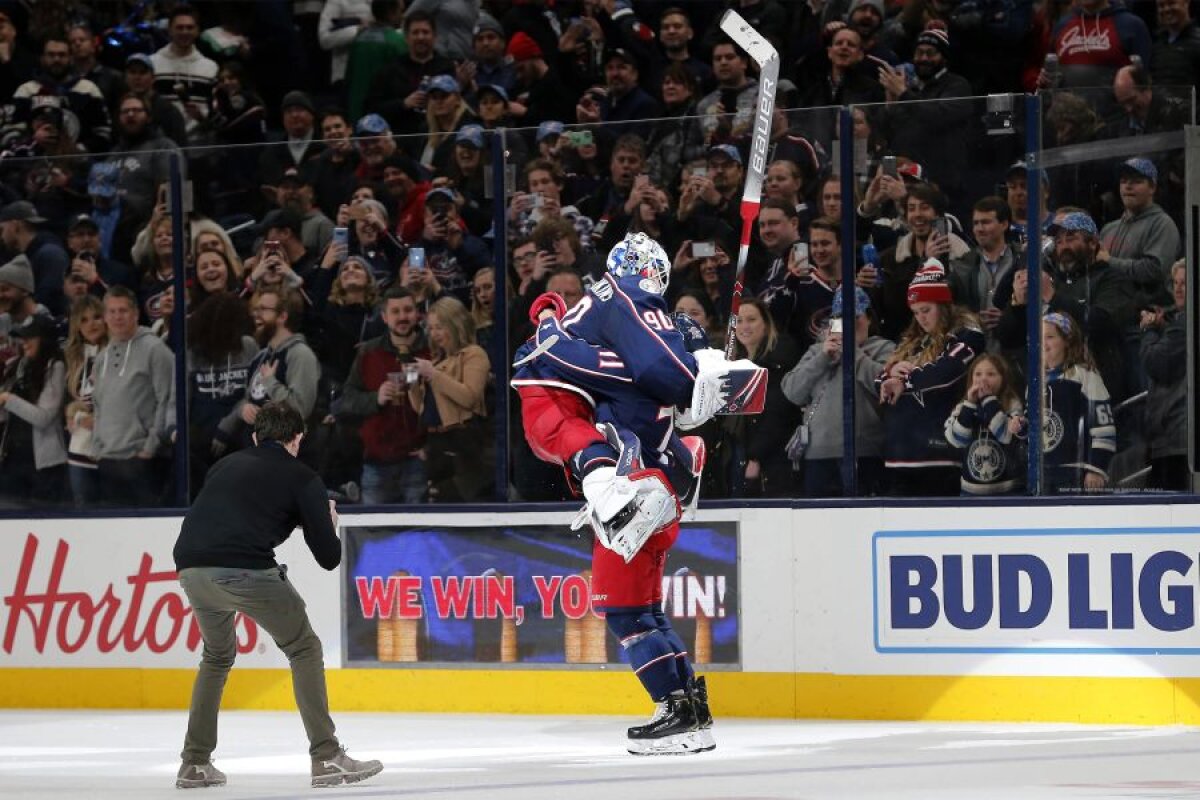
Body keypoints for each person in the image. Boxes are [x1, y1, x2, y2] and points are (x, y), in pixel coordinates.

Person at [172, 401, 383, 789]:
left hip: (191, 568)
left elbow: (233, 517)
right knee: (303, 648)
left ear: (256, 437)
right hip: (245, 569)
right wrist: (326, 520)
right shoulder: (302, 477)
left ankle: (194, 763)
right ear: (297, 438)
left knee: (216, 656)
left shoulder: (225, 465)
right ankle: (326, 756)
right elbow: (328, 558)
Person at [877, 260, 985, 496]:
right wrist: (889, 375)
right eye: (916, 313)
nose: (921, 319)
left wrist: (903, 381)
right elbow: (880, 381)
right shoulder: (911, 342)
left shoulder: (967, 335)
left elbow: (946, 371)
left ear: (944, 305)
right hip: (898, 454)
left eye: (926, 310)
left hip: (939, 456)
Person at [782, 287, 894, 497]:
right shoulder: (817, 351)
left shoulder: (884, 349)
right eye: (842, 319)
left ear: (869, 319)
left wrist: (853, 354)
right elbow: (792, 391)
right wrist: (822, 358)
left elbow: (884, 386)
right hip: (818, 454)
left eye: (856, 317)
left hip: (865, 453)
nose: (850, 325)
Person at [340, 286, 429, 504]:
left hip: (419, 458)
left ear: (417, 314)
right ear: (384, 317)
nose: (402, 317)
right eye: (395, 312)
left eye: (408, 310)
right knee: (373, 534)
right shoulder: (369, 352)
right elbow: (347, 399)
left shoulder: (431, 348)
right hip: (377, 461)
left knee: (420, 533)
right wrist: (375, 398)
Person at [91, 286, 175, 506]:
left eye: (123, 310)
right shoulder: (102, 358)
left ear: (136, 314)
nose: (117, 317)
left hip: (142, 460)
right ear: (105, 316)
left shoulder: (155, 350)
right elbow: (98, 405)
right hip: (108, 459)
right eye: (112, 311)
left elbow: (167, 399)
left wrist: (150, 448)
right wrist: (97, 446)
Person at [408, 295, 491, 502]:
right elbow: (421, 409)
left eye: (440, 327)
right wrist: (411, 382)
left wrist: (433, 375)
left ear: (456, 325)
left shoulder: (474, 354)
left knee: (454, 500)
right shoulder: (436, 360)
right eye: (431, 328)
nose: (434, 334)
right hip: (435, 442)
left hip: (463, 442)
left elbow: (469, 397)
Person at [1041, 311, 1116, 494]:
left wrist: (1096, 467)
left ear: (1067, 341)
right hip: (1042, 473)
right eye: (1040, 337)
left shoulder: (1085, 375)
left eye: (1050, 337)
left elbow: (1103, 425)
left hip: (1076, 472)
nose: (1044, 343)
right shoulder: (1035, 382)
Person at [0, 315, 67, 507]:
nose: (25, 343)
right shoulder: (17, 366)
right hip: (12, 461)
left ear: (45, 339)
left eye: (30, 337)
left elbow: (43, 417)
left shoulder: (55, 367)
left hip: (43, 467)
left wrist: (7, 399)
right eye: (23, 337)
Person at [944, 353, 1027, 495]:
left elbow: (1004, 435)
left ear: (1003, 379)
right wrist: (969, 404)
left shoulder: (1013, 405)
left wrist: (988, 401)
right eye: (978, 374)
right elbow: (958, 440)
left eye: (991, 374)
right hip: (970, 492)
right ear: (971, 380)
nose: (983, 379)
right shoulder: (963, 407)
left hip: (1008, 490)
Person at [1139, 259, 1187, 491]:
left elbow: (1158, 363)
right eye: (1175, 283)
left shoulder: (1187, 323)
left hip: (1177, 439)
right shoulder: (1179, 323)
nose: (1178, 289)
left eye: (1185, 283)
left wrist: (1149, 330)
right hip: (1173, 437)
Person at [63, 295, 107, 507]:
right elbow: (71, 401)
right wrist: (74, 413)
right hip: (80, 447)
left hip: (111, 446)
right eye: (84, 319)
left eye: (97, 317)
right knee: (84, 512)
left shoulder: (117, 353)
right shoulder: (73, 358)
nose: (92, 324)